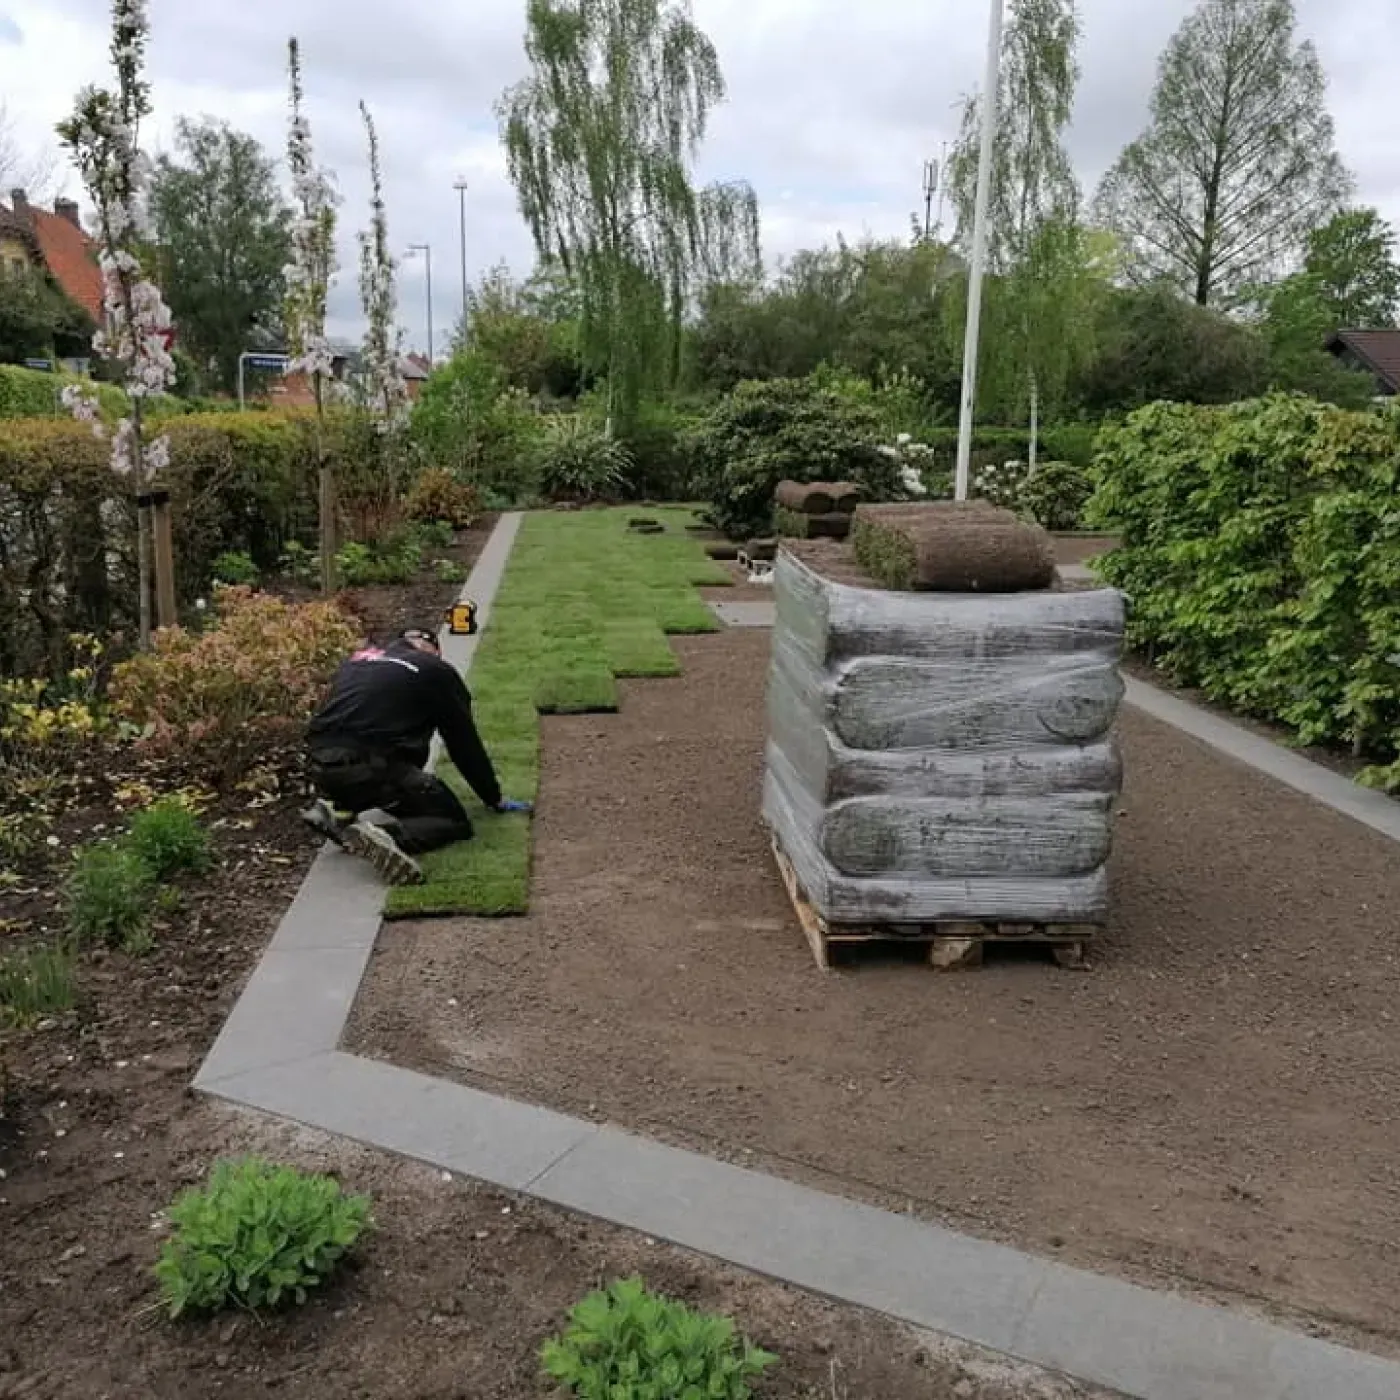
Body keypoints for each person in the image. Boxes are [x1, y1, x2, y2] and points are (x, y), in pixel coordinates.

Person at [302, 626, 531, 885]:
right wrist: (493, 797)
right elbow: (463, 741)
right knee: (451, 821)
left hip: (320, 765)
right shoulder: (433, 670)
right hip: (370, 768)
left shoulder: (358, 661)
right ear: (432, 648)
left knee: (369, 755)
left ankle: (335, 808)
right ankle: (381, 835)